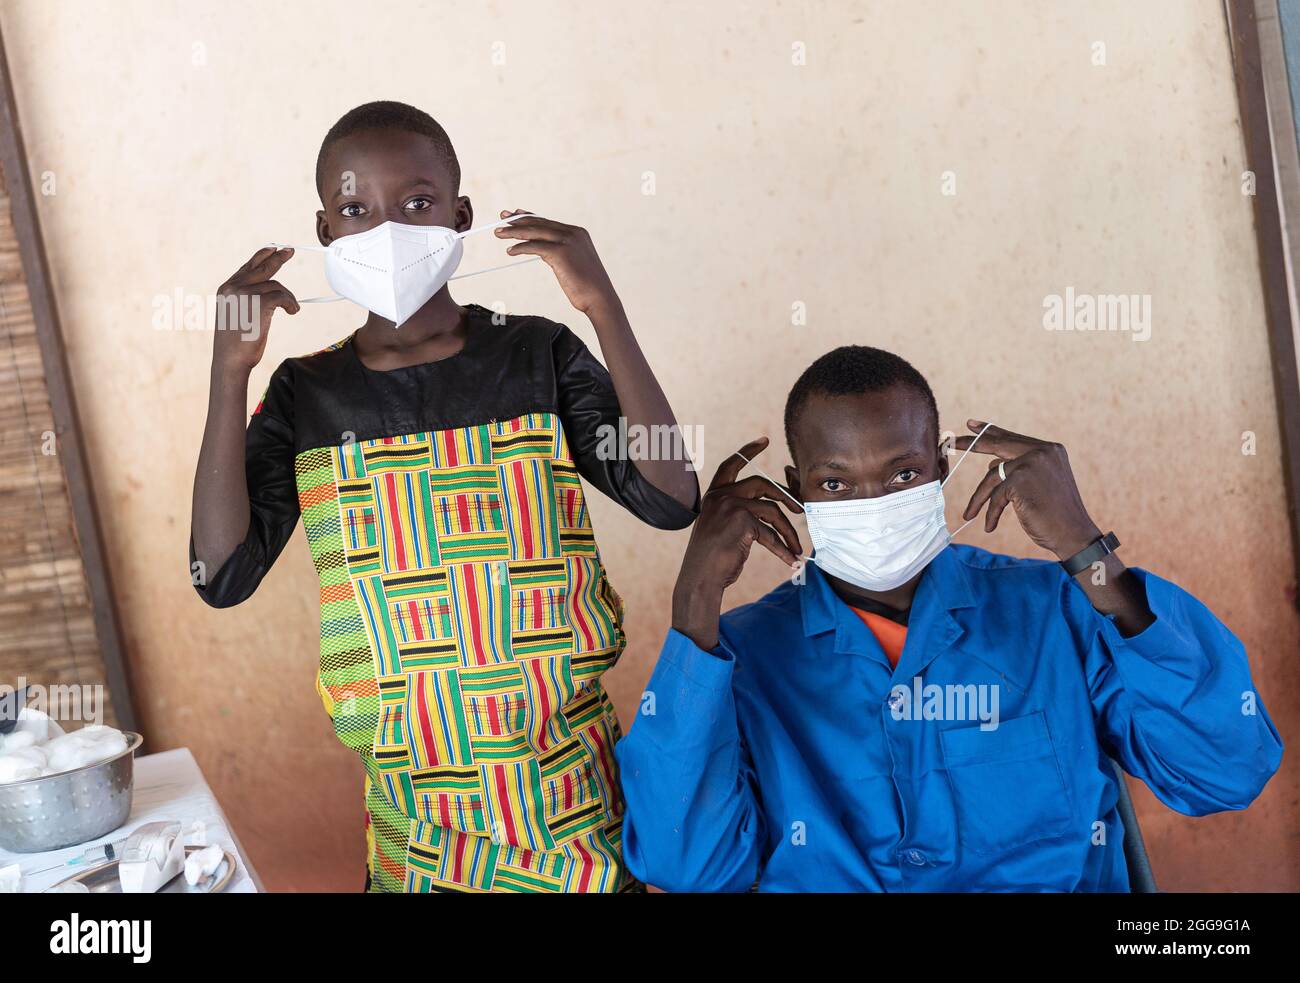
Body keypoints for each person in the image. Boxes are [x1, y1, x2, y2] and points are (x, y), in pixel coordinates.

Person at [188, 101, 699, 893]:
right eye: (356, 209)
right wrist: (229, 375)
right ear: (326, 231)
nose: (386, 228)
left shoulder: (538, 354)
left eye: (417, 203)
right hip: (414, 831)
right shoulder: (305, 394)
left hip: (568, 806)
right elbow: (218, 574)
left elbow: (670, 495)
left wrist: (604, 309)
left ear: (460, 214)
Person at [615, 344, 1282, 892]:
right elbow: (690, 867)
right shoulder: (740, 657)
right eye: (837, 483)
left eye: (903, 474)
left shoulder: (1051, 610)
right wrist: (693, 605)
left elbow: (1224, 767)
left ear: (940, 468)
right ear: (796, 488)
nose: (873, 500)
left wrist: (1085, 549)